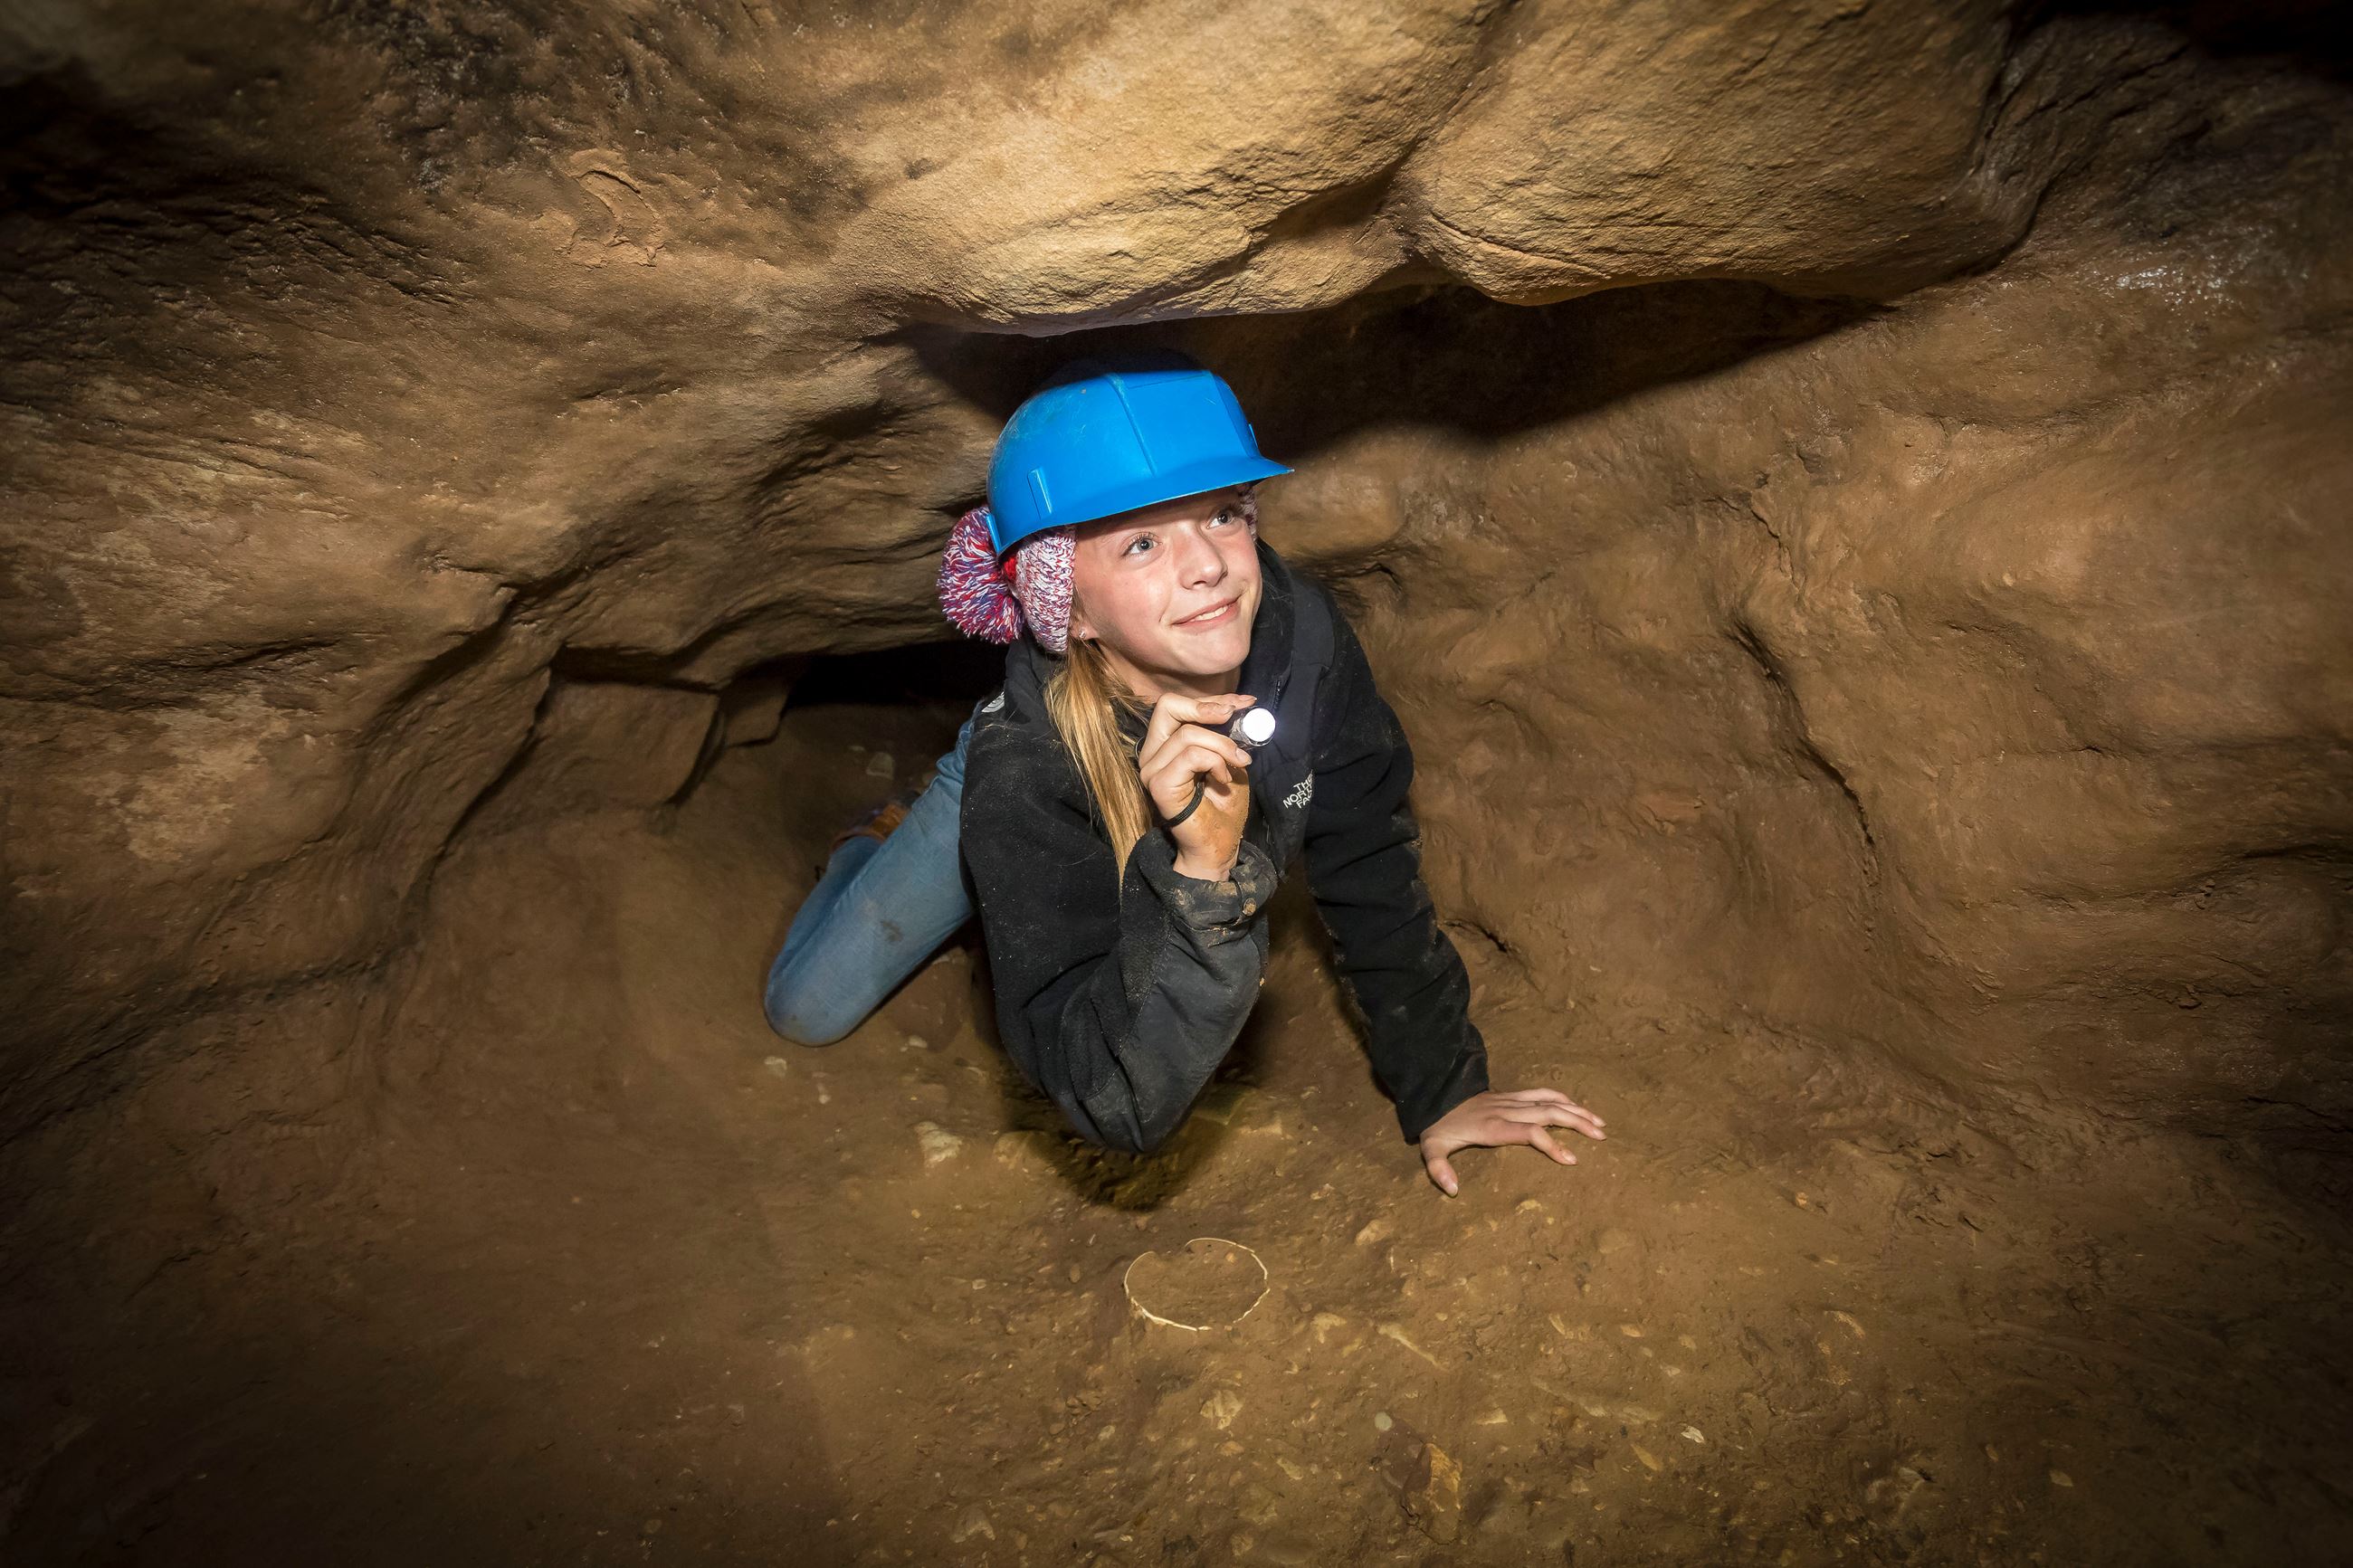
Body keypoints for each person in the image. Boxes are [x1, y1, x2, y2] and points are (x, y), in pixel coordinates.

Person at [767, 350, 1604, 1194]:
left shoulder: (1301, 639)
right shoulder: (1026, 768)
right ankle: (872, 842)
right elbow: (1104, 1096)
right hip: (1028, 772)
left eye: (1223, 514)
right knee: (805, 1008)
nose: (1207, 564)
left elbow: (1370, 860)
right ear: (1072, 609)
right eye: (1140, 542)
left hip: (1093, 778)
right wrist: (1204, 874)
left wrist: (1445, 1087)